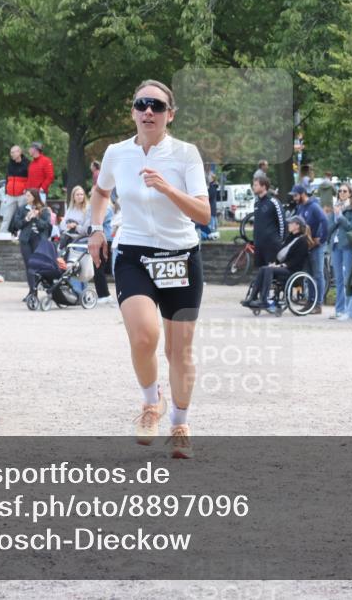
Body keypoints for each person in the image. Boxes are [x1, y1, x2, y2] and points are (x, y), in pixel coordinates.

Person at [87, 79, 210, 459]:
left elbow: (204, 214)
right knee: (144, 336)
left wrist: (168, 189)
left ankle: (180, 423)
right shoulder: (116, 154)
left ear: (169, 115)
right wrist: (96, 228)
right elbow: (101, 191)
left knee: (179, 352)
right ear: (133, 112)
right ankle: (150, 403)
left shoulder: (185, 154)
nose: (148, 112)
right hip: (135, 253)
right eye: (142, 105)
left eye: (157, 106)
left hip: (181, 256)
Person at [243, 216, 312, 312]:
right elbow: (281, 254)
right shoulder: (290, 238)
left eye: (291, 223)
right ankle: (252, 297)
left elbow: (297, 260)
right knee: (264, 268)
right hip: (283, 268)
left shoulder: (303, 241)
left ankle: (263, 300)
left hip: (292, 271)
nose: (288, 224)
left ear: (297, 225)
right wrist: (275, 263)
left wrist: (281, 265)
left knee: (268, 269)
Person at [290, 184, 328, 314]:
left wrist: (321, 239)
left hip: (316, 246)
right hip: (307, 245)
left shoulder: (314, 206)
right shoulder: (301, 207)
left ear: (302, 194)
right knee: (309, 275)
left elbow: (325, 221)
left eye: (295, 195)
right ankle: (310, 302)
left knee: (318, 274)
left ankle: (318, 304)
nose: (294, 198)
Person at [326, 183, 352, 319]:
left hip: (347, 246)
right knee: (338, 279)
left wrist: (340, 217)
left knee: (348, 279)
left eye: (345, 191)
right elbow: (330, 227)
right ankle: (339, 309)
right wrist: (334, 216)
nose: (342, 193)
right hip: (335, 245)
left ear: (350, 193)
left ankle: (349, 310)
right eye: (340, 191)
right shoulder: (336, 207)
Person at [251, 175, 284, 268]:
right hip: (259, 245)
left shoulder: (273, 202)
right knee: (260, 271)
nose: (254, 187)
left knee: (271, 272)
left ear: (263, 186)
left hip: (271, 245)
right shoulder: (257, 203)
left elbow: (282, 223)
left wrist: (279, 240)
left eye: (256, 185)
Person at [0, 145, 29, 235]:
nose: (11, 154)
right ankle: (2, 234)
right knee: (6, 216)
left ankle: (21, 234)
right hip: (10, 195)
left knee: (22, 216)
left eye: (13, 152)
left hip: (22, 195)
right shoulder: (10, 164)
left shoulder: (27, 163)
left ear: (19, 152)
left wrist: (27, 189)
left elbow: (30, 178)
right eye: (11, 152)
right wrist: (6, 190)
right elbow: (7, 178)